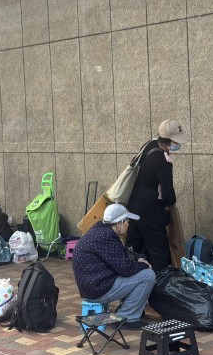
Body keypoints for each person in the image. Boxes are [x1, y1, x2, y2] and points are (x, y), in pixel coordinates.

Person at [72, 203, 156, 329]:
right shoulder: (106, 236)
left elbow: (121, 253)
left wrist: (138, 257)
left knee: (135, 272)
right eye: (127, 221)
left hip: (93, 286)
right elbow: (125, 268)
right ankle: (127, 318)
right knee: (148, 276)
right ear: (119, 223)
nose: (128, 225)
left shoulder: (100, 230)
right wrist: (144, 266)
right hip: (97, 289)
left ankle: (126, 309)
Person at [126, 119, 190, 271]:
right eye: (177, 141)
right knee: (159, 253)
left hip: (134, 207)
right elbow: (168, 195)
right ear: (171, 140)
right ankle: (160, 287)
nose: (178, 144)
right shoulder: (163, 160)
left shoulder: (149, 145)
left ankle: (131, 282)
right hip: (151, 212)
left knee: (133, 249)